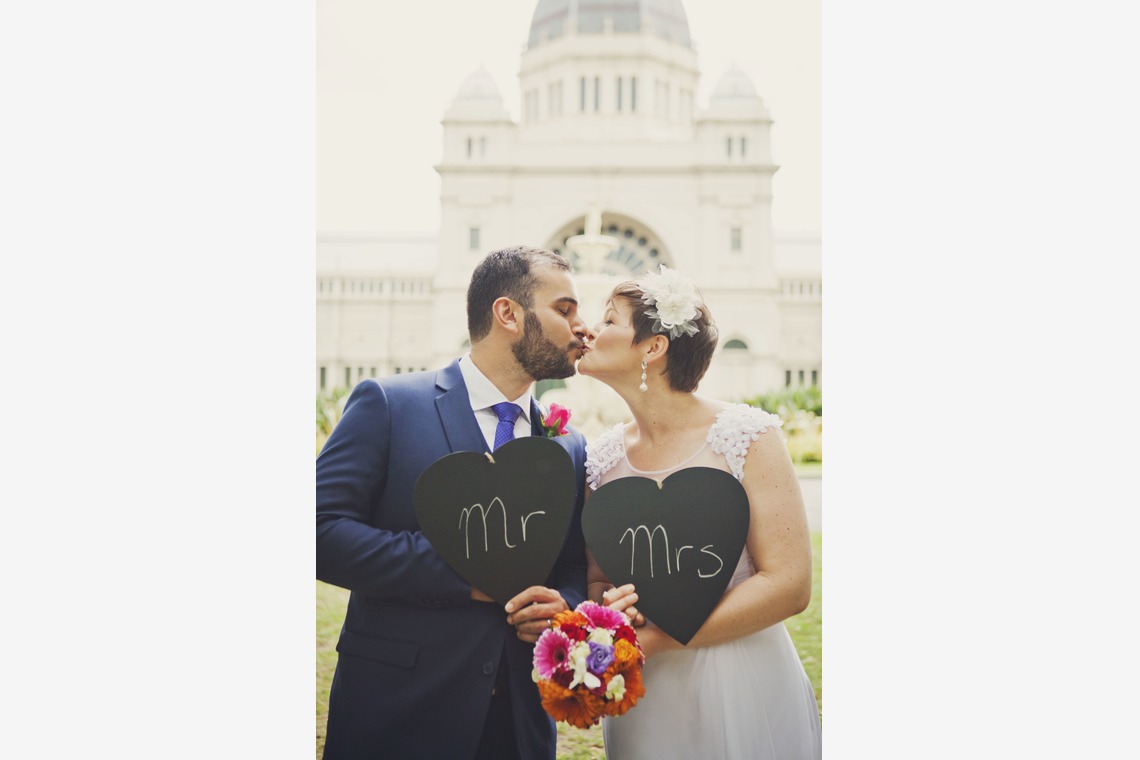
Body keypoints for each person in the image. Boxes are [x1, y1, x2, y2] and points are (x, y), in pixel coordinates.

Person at [316, 245, 592, 759]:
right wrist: (467, 576)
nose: (583, 327)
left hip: (517, 725)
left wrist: (564, 607)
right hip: (397, 711)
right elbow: (318, 531)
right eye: (565, 309)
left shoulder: (569, 444)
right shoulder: (390, 404)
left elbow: (574, 564)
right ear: (508, 313)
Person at [577, 265, 822, 759]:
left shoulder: (748, 436)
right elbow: (600, 582)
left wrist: (663, 638)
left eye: (609, 320)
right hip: (649, 693)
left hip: (741, 674)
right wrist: (608, 620)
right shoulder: (599, 461)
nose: (589, 331)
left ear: (653, 347)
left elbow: (790, 584)